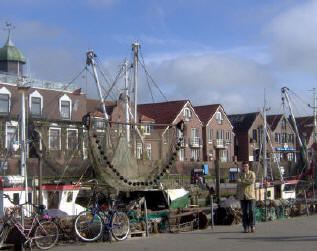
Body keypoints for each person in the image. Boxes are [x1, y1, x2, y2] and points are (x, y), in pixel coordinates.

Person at [236, 161, 256, 233]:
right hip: (242, 196)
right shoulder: (239, 174)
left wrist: (242, 182)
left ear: (248, 167)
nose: (245, 168)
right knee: (244, 212)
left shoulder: (252, 174)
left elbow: (251, 181)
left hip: (251, 196)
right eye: (244, 166)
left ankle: (252, 225)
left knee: (251, 210)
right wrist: (245, 182)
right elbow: (238, 181)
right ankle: (245, 227)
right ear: (242, 167)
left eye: (246, 166)